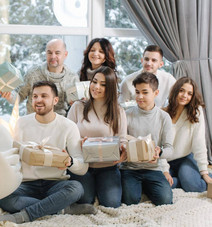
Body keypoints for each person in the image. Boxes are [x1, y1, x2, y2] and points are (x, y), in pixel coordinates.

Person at [0, 81, 96, 225]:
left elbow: (82, 168)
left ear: (55, 100)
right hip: (27, 184)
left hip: (55, 184)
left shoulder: (68, 126)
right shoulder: (21, 123)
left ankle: (23, 216)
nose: (38, 100)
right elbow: (15, 155)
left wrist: (70, 162)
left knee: (76, 188)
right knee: (5, 200)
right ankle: (59, 208)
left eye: (44, 96)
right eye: (35, 96)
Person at [67, 66, 127, 208]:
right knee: (85, 201)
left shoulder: (118, 111)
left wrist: (123, 150)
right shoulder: (78, 106)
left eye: (103, 84)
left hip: (108, 167)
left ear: (111, 88)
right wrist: (80, 142)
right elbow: (67, 136)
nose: (96, 87)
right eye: (94, 82)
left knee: (111, 204)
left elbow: (122, 139)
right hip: (82, 166)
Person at [120, 72, 174, 206]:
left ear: (156, 93)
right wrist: (123, 148)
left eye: (145, 92)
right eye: (137, 92)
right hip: (130, 169)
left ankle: (145, 187)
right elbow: (120, 140)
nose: (139, 96)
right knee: (130, 200)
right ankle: (138, 188)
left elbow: (169, 148)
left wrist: (159, 153)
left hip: (153, 169)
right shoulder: (127, 115)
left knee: (165, 200)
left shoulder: (164, 117)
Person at [0, 39, 79, 116]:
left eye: (57, 53)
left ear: (65, 54)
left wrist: (76, 103)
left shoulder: (73, 78)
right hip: (33, 122)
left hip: (59, 123)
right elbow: (19, 95)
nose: (53, 56)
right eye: (49, 53)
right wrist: (9, 96)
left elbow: (76, 106)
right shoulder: (33, 73)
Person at [161, 77, 212, 192]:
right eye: (181, 91)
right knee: (160, 186)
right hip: (165, 161)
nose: (185, 96)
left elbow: (199, 143)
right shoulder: (163, 113)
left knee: (194, 187)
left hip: (185, 158)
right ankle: (181, 180)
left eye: (189, 94)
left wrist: (204, 172)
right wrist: (164, 169)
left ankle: (187, 179)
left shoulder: (195, 112)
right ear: (175, 91)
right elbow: (159, 145)